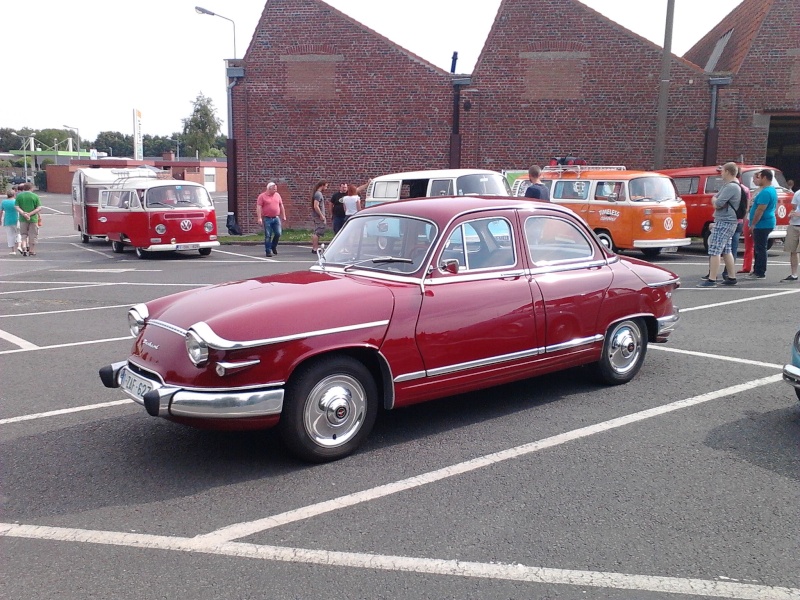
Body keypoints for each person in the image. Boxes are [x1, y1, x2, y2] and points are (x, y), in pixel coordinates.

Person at [698, 162, 741, 287]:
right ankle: (731, 277)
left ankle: (712, 279)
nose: (721, 173)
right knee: (726, 250)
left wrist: (714, 200)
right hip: (730, 221)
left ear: (728, 172)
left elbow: (718, 203)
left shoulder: (730, 187)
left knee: (715, 250)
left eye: (722, 171)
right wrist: (715, 199)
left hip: (725, 221)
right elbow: (717, 199)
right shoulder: (734, 185)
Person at [748, 168, 777, 279]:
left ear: (765, 177)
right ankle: (757, 269)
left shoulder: (766, 192)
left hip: (762, 224)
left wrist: (753, 224)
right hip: (765, 223)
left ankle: (760, 272)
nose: (758, 179)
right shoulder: (770, 190)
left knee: (760, 248)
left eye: (759, 177)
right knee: (759, 247)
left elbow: (760, 210)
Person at [255, 182, 286, 257]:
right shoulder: (262, 196)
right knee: (268, 235)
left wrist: (283, 215)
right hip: (267, 218)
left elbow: (281, 205)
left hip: (276, 217)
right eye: (274, 189)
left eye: (276, 189)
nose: (275, 190)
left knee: (278, 233)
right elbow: (259, 207)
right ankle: (268, 251)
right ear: (269, 189)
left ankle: (273, 246)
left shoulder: (277, 195)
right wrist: (259, 218)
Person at [15, 183, 41, 257]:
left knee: (23, 234)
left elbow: (16, 206)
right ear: (31, 188)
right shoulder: (35, 196)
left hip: (22, 218)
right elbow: (39, 208)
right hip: (33, 218)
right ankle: (31, 251)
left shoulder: (19, 196)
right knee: (33, 235)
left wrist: (24, 213)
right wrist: (29, 214)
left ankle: (24, 248)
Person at [781, 187, 800, 282]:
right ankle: (794, 274)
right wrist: (792, 213)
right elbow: (794, 207)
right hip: (794, 224)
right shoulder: (797, 193)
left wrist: (798, 214)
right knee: (793, 250)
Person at [2, 189, 22, 255]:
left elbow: (1, 211)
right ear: (14, 195)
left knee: (10, 235)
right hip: (17, 219)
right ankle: (19, 246)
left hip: (7, 220)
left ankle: (13, 250)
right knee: (18, 233)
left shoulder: (4, 202)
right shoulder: (16, 201)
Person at [311, 180, 329, 253]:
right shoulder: (318, 194)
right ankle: (315, 248)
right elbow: (316, 206)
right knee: (318, 232)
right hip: (318, 216)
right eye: (326, 186)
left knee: (318, 232)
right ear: (322, 185)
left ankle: (315, 247)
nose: (326, 188)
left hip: (318, 216)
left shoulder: (318, 194)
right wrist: (321, 215)